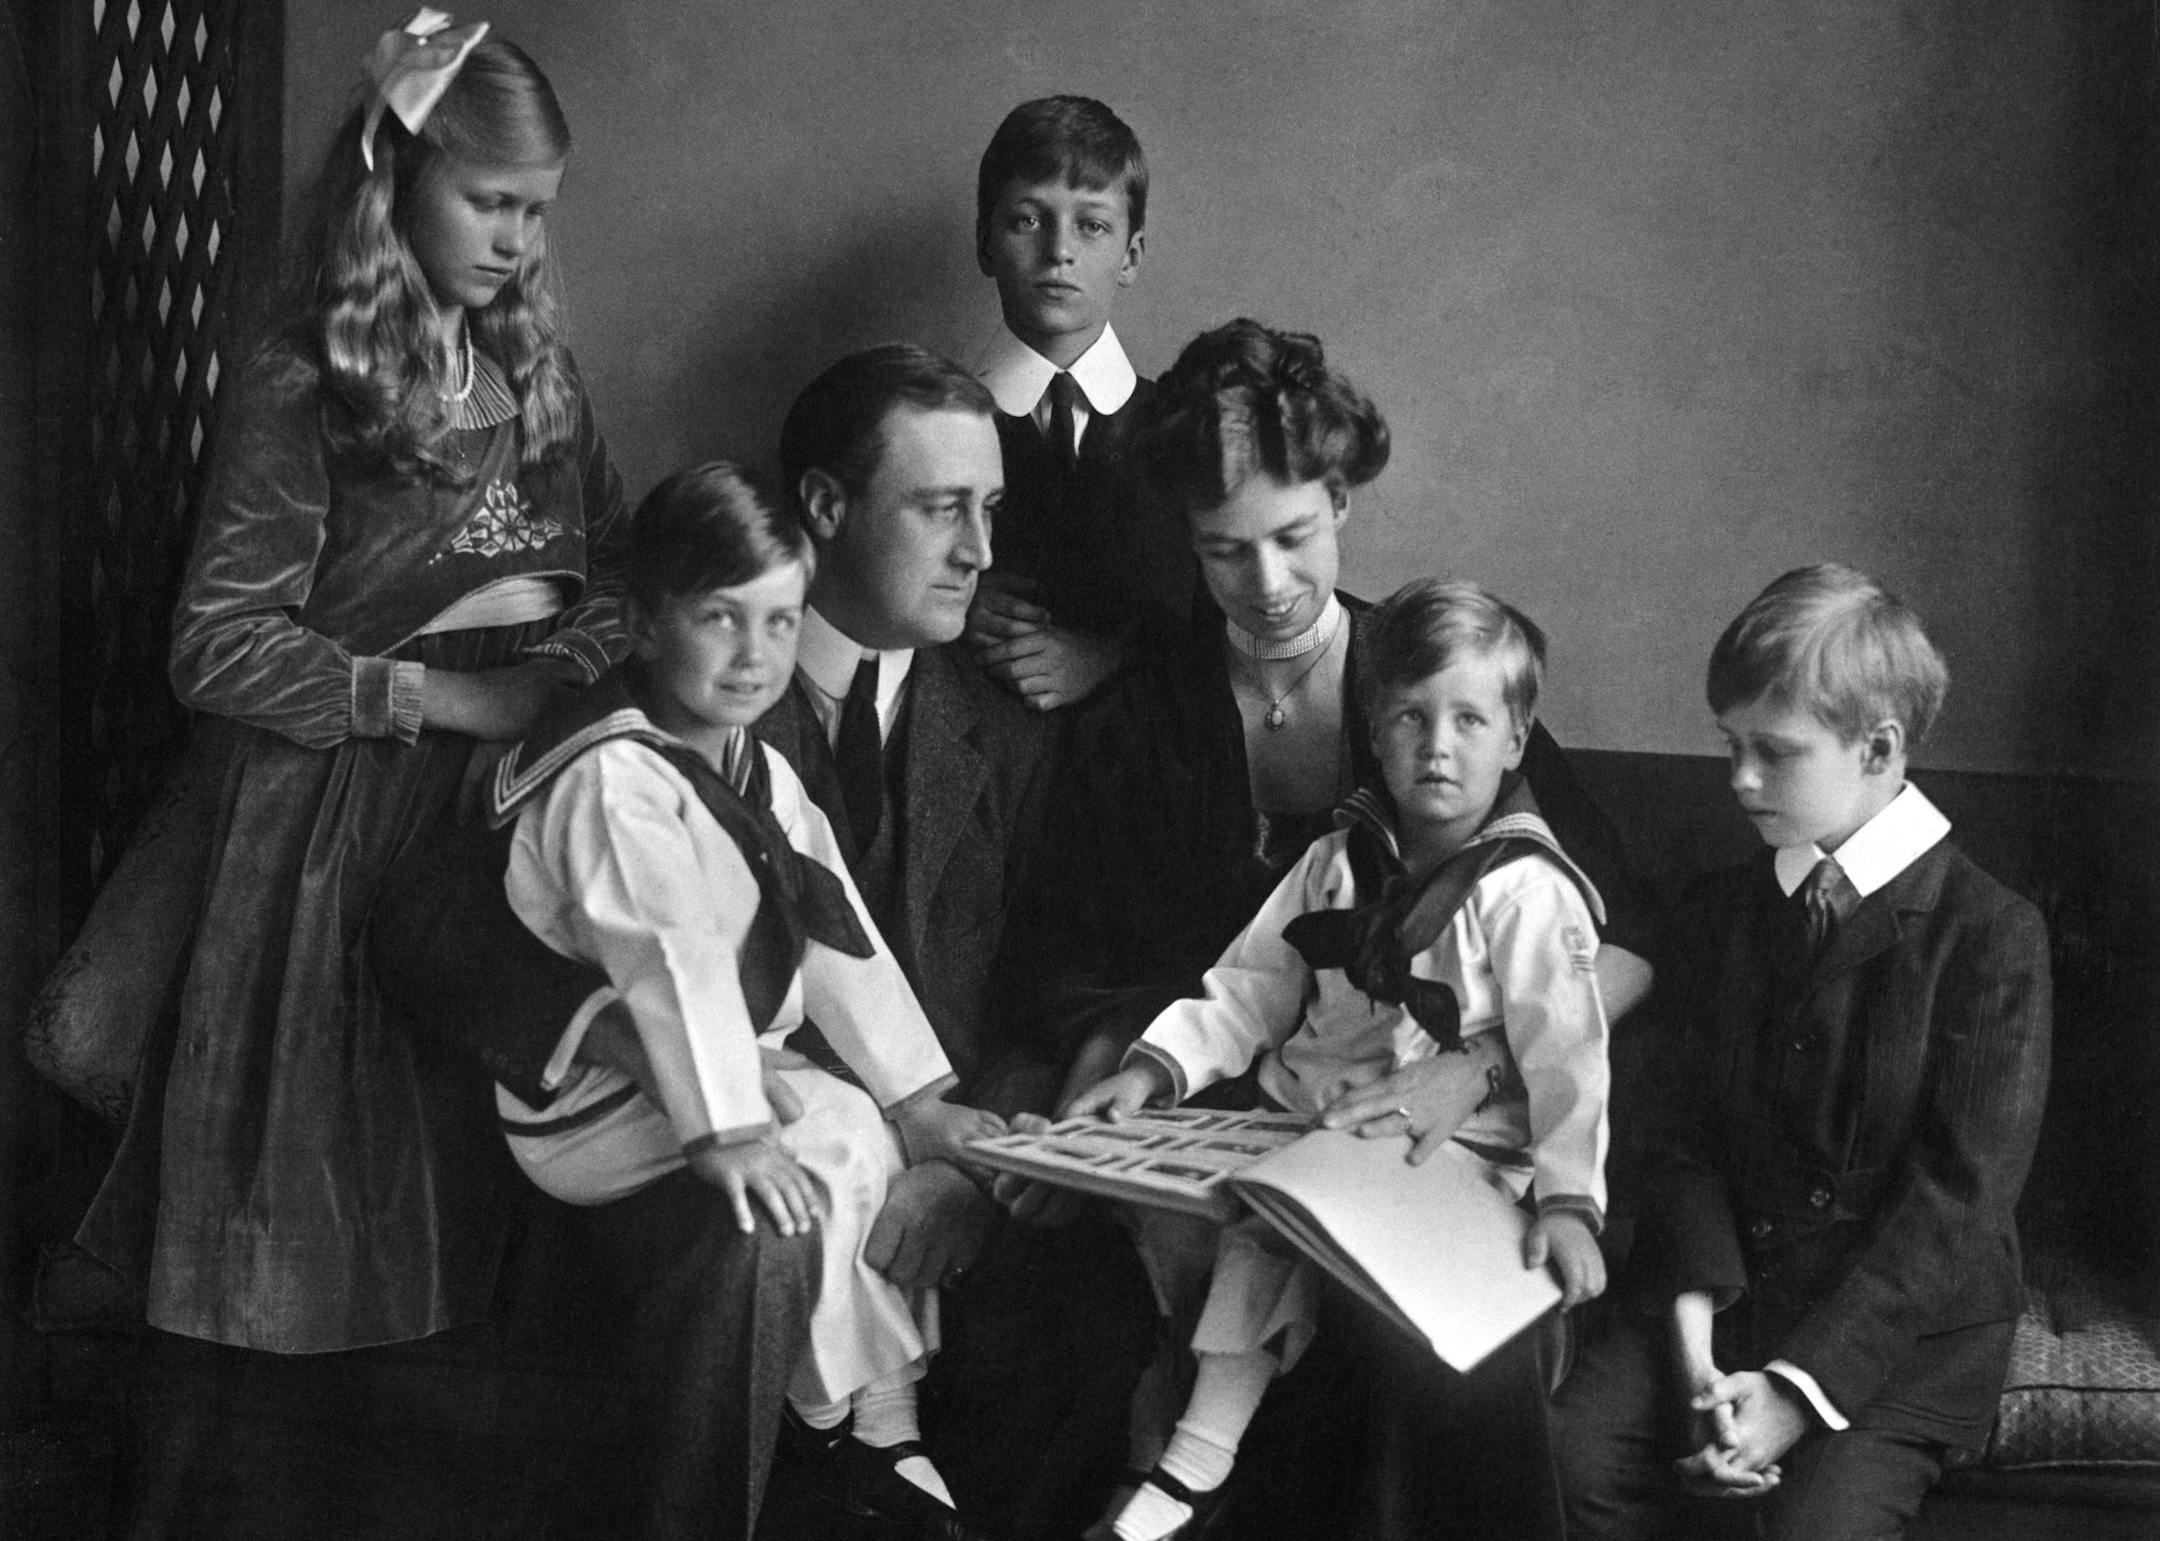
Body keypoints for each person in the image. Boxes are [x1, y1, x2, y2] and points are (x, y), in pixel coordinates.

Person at [372, 345, 1145, 1540]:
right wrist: (616, 1038)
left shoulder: (1011, 718)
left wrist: (943, 1124)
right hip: (650, 1155)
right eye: (945, 509)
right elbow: (429, 928)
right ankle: (837, 1450)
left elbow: (898, 943)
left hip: (917, 1171)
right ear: (826, 511)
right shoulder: (630, 737)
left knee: (1067, 1312)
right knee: (759, 1245)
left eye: (991, 511)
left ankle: (880, 1440)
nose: (984, 554)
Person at [1004, 318, 1657, 1539]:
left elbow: (1610, 948)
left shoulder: (1434, 692)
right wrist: (1135, 1092)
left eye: (1294, 536)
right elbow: (1109, 969)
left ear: (1343, 499)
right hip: (1229, 1119)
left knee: (1428, 1331)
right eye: (1223, 551)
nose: (1266, 583)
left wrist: (1478, 1065)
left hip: (1447, 1125)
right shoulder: (1139, 715)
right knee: (1122, 1332)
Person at [75, 9, 628, 1358]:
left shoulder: (533, 375)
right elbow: (214, 641)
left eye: (537, 211)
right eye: (490, 202)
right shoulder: (302, 384)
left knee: (476, 1169)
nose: (518, 240)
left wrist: (560, 665)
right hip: (323, 829)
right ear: (394, 180)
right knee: (325, 1192)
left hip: (491, 810)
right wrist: (438, 699)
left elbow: (616, 573)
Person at [487, 462, 1001, 1540]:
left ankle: (885, 1423)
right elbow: (666, 958)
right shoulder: (615, 776)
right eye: (721, 619)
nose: (756, 654)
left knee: (863, 1129)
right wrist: (724, 1128)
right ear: (643, 625)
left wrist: (918, 1098)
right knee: (806, 1163)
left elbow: (836, 933)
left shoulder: (758, 769)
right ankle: (830, 1419)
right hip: (599, 1097)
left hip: (725, 1064)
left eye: (781, 620)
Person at [1067, 577, 1614, 1541]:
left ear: (1516, 740)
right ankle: (1201, 1447)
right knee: (1257, 1204)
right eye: (1409, 715)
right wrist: (1156, 1070)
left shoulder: (1527, 892)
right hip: (1312, 1116)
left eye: (1469, 719)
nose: (1436, 745)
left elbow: (1569, 1058)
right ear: (1373, 726)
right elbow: (1252, 985)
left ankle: (1198, 1456)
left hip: (1450, 1153)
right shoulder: (1337, 858)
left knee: (1286, 1216)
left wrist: (1570, 1206)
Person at [1550, 564, 2052, 1540]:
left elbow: (1956, 1200)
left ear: (1878, 748)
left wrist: (1795, 1391)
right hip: (1728, 1289)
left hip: (1899, 1331)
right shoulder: (1724, 912)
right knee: (1567, 1455)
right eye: (1730, 745)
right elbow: (1683, 1137)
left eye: (1772, 752)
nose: (1738, 778)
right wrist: (1694, 1344)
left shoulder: (1990, 933)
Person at [966, 95, 1198, 710]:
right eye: (1027, 220)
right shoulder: (937, 426)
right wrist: (957, 602)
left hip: (1138, 765)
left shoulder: (1181, 430)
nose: (1058, 251)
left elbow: (1219, 619)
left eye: (1091, 225)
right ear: (986, 243)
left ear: (1131, 256)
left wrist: (1109, 656)